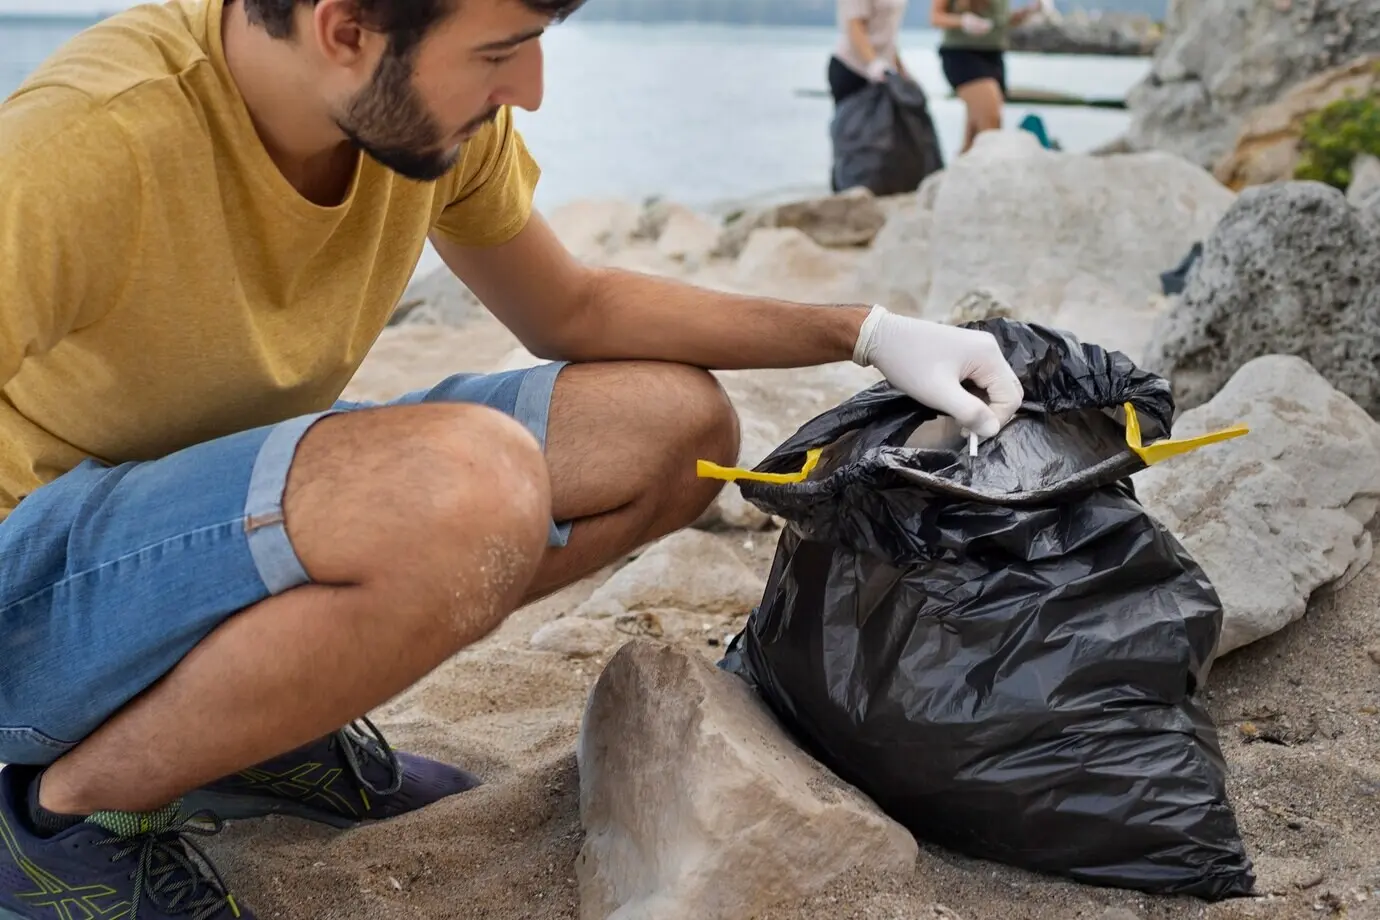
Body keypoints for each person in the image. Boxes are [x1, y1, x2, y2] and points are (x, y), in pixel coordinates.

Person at [0, 0, 1024, 915]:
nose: (528, 90)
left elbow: (571, 307)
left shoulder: (422, 118)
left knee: (674, 430)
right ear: (344, 29)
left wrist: (862, 330)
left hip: (209, 516)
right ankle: (62, 818)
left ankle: (250, 730)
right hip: (37, 592)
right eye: (501, 51)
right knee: (473, 486)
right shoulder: (91, 137)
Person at [931, 0, 1043, 152]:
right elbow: (936, 17)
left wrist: (1026, 13)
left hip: (994, 55)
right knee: (990, 126)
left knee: (974, 137)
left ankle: (962, 166)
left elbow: (1000, 20)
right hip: (963, 55)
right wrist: (963, 21)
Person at [828, 0, 910, 107]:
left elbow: (886, 34)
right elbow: (855, 26)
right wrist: (874, 63)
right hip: (852, 68)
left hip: (883, 72)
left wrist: (901, 70)